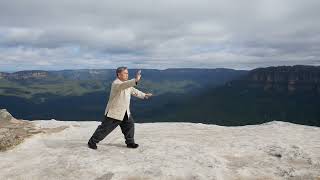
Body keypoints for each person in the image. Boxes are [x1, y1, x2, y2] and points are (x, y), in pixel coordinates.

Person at [87, 67, 152, 149]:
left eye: (127, 73)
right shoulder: (116, 83)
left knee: (129, 125)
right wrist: (135, 79)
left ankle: (130, 142)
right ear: (119, 74)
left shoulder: (126, 84)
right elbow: (126, 85)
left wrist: (144, 95)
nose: (127, 75)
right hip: (114, 112)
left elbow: (133, 90)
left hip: (125, 111)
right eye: (125, 73)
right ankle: (92, 142)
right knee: (105, 129)